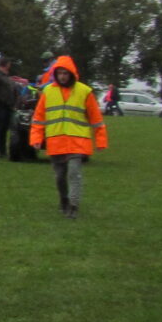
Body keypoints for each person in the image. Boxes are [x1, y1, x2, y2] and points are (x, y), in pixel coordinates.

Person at [30, 55, 107, 218]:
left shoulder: (84, 91)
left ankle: (73, 205)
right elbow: (38, 117)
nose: (62, 76)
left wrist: (100, 141)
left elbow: (96, 118)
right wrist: (36, 139)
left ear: (71, 73)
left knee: (74, 174)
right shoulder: (48, 92)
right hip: (56, 142)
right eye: (60, 73)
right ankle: (64, 200)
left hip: (77, 142)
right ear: (55, 74)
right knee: (59, 177)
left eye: (65, 73)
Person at [0, 56, 20, 158]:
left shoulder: (6, 76)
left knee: (4, 129)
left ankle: (2, 150)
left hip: (8, 106)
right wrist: (3, 100)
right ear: (6, 64)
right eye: (9, 63)